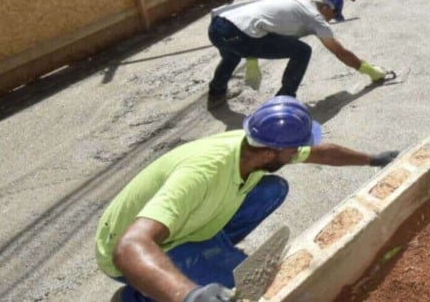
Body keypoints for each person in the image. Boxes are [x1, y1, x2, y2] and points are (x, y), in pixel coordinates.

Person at [96, 96, 398, 302]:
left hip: (181, 225)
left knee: (272, 189)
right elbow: (129, 247)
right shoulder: (202, 174)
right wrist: (189, 295)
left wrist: (373, 160)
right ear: (270, 152)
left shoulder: (252, 148)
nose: (298, 153)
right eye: (293, 150)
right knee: (245, 290)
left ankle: (207, 252)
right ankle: (137, 294)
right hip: (131, 249)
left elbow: (321, 152)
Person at [207, 0, 387, 108]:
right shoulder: (315, 17)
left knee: (231, 55)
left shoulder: (294, 1)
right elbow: (339, 51)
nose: (330, 20)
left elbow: (258, 22)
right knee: (302, 51)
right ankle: (284, 100)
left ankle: (216, 93)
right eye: (333, 15)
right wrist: (369, 70)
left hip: (217, 27)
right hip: (240, 35)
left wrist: (251, 58)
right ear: (326, 7)